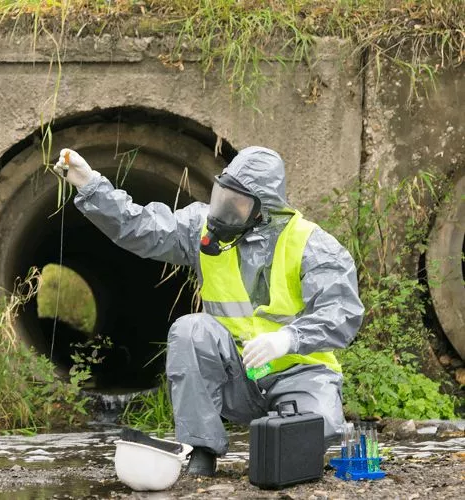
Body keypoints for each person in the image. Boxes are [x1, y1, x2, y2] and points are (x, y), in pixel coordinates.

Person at [54, 146, 364, 477]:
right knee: (190, 330)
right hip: (238, 377)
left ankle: (300, 433)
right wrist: (90, 184)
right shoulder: (201, 227)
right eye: (222, 197)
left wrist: (289, 338)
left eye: (236, 203)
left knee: (309, 443)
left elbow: (342, 312)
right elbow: (141, 227)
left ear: (263, 208)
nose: (223, 210)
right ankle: (201, 450)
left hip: (298, 374)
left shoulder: (313, 245)